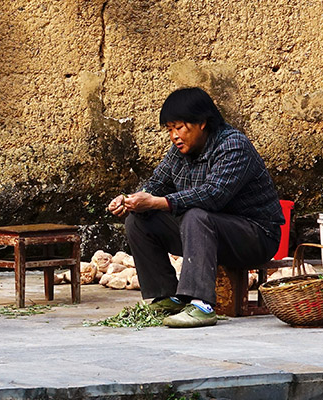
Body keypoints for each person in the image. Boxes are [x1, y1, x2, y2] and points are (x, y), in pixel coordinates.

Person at [107, 87, 284, 329]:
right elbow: (156, 184)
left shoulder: (233, 145)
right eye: (169, 130)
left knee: (196, 215)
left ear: (202, 123)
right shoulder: (179, 153)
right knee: (138, 220)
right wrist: (130, 200)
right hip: (205, 235)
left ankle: (201, 305)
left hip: (255, 237)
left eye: (179, 127)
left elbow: (213, 195)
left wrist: (157, 202)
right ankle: (167, 297)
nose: (174, 136)